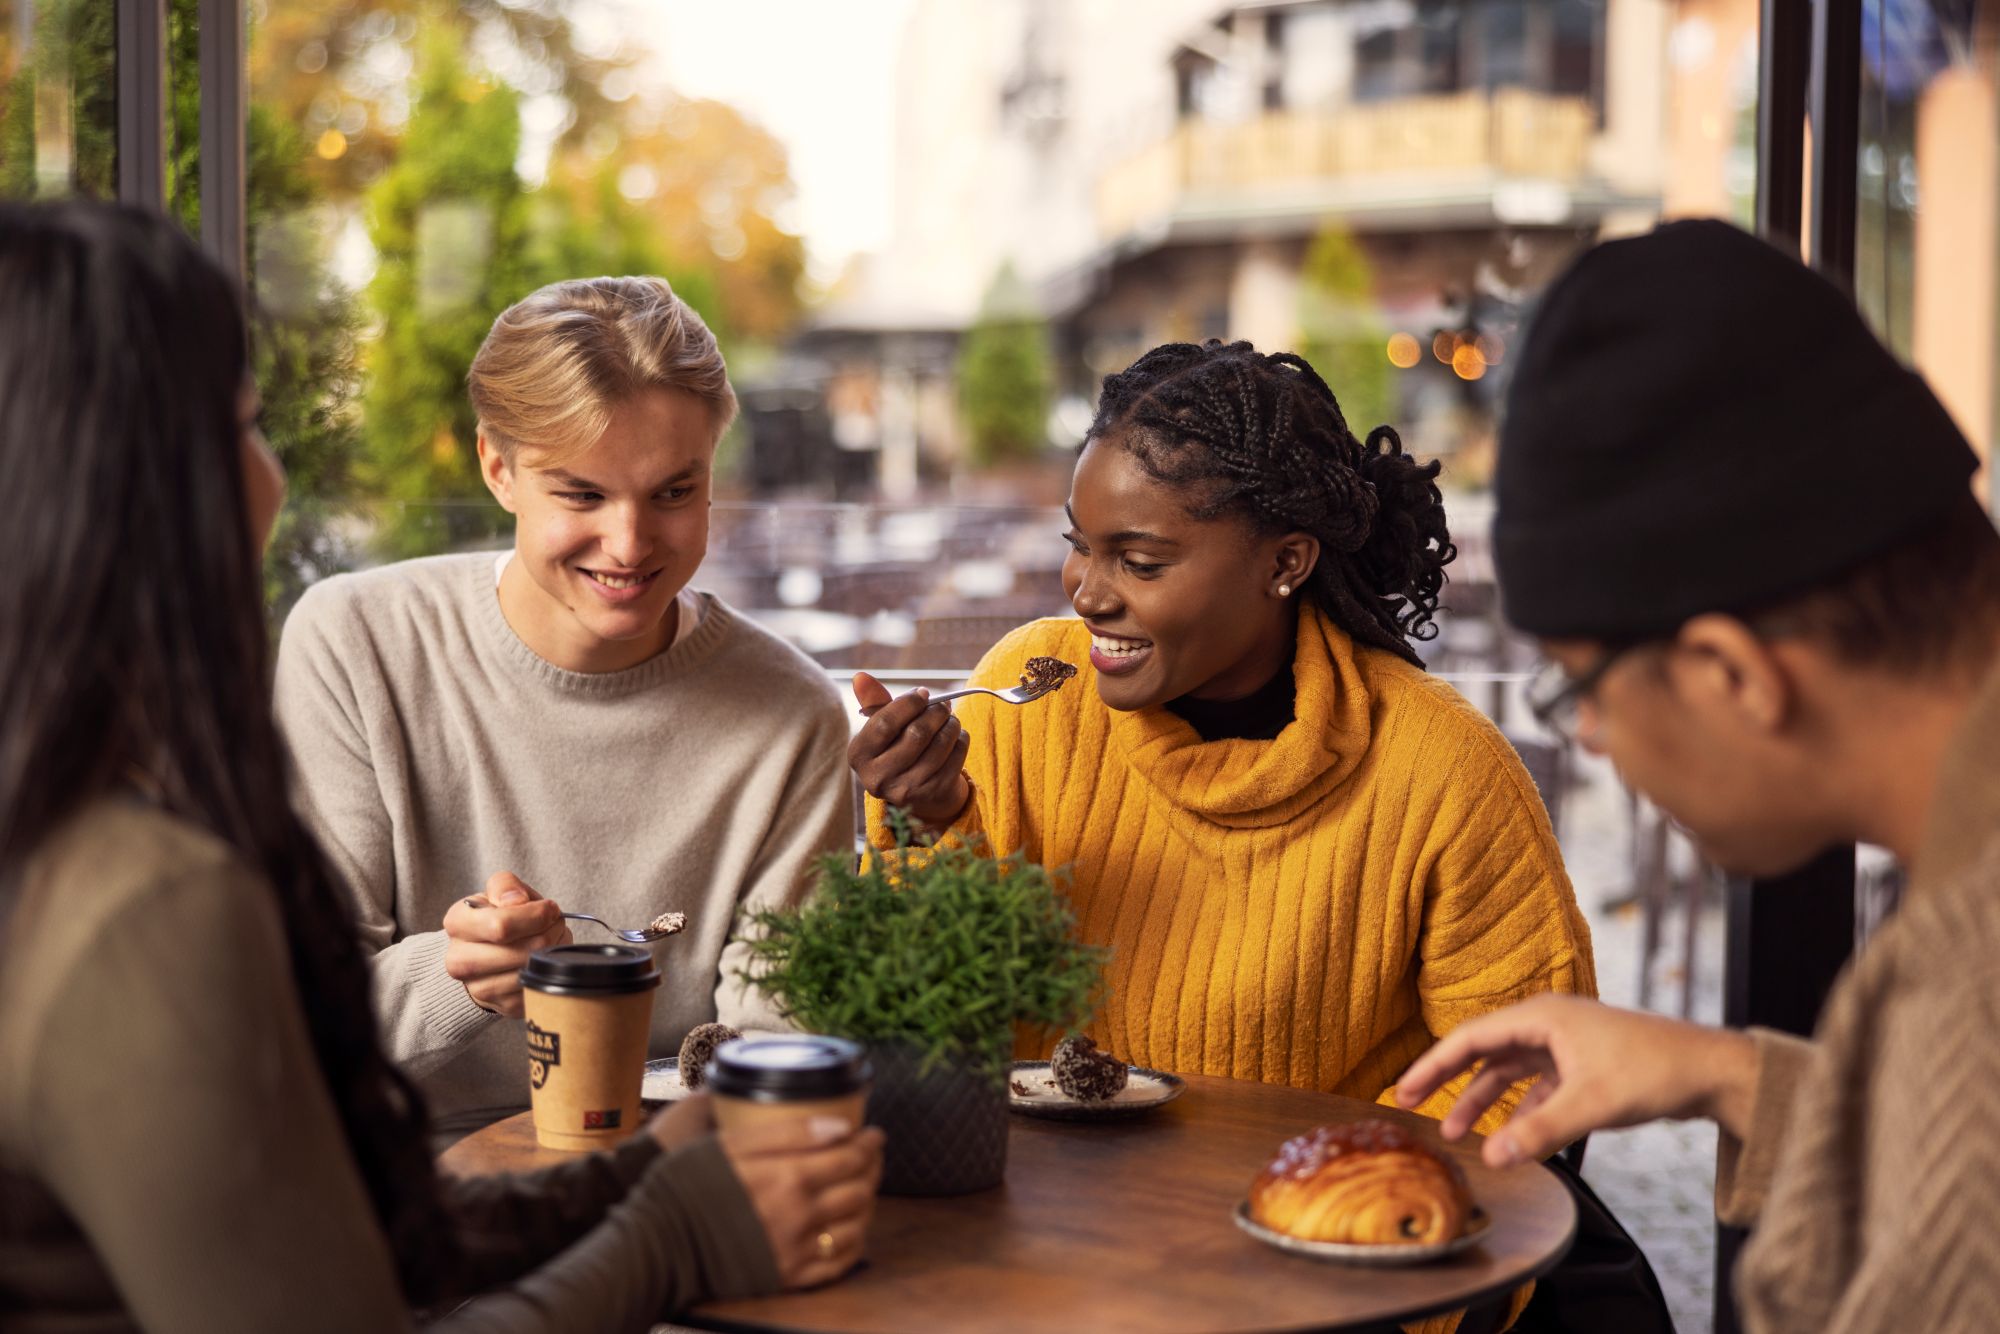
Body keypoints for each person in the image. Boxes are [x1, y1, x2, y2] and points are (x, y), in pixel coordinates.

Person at [0, 200, 881, 1330]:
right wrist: (669, 1232)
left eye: (674, 488)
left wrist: (635, 1175)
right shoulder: (140, 902)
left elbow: (349, 1235)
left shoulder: (71, 836)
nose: (272, 480)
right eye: (246, 426)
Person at [1394, 219, 2000, 1331]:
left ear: (1729, 671)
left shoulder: (1967, 971)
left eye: (1579, 685)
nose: (1589, 740)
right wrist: (1724, 1073)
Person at [851, 339, 1596, 1126]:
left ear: (1286, 563)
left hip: (1311, 1229)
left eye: (1138, 561)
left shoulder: (1441, 771)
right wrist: (929, 824)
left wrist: (1326, 1192)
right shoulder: (1026, 699)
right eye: (1080, 547)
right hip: (1034, 1216)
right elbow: (912, 1027)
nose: (1087, 595)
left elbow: (1522, 1073)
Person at [273, 274, 852, 1142]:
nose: (628, 544)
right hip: (403, 1198)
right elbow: (290, 1022)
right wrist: (455, 975)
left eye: (673, 492)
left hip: (662, 1185)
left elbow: (776, 1048)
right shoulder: (355, 643)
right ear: (498, 468)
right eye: (582, 495)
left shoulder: (791, 716)